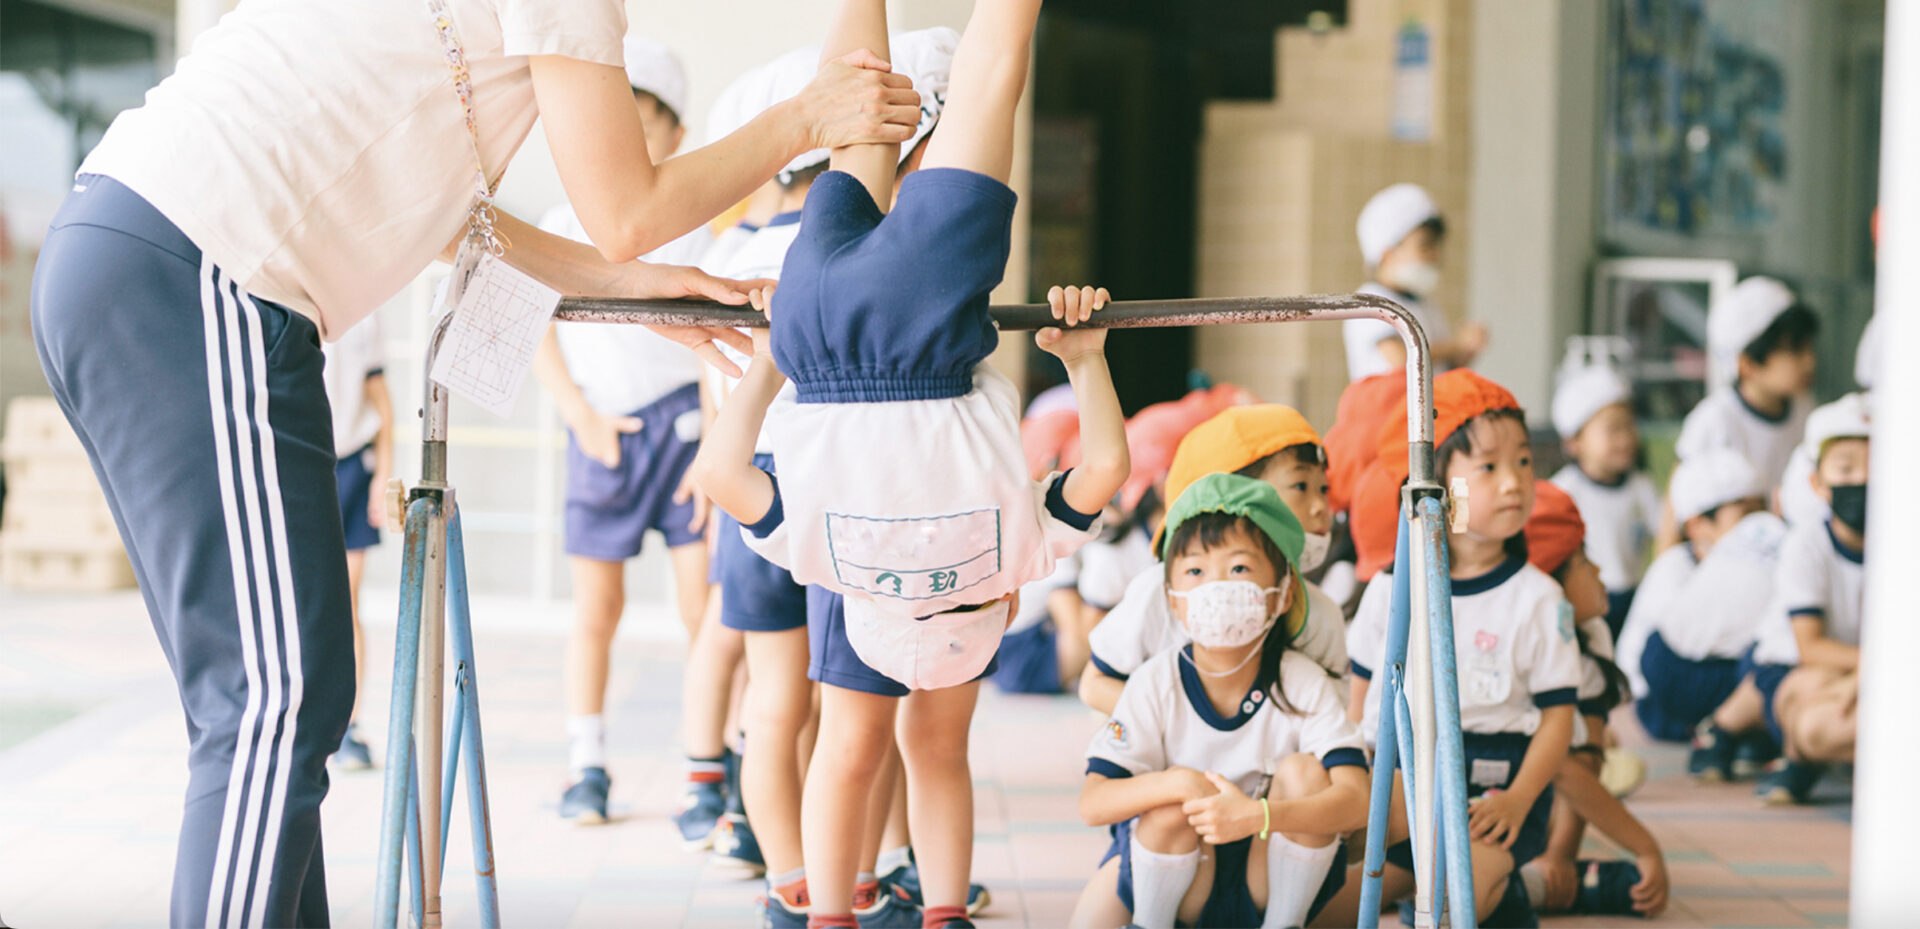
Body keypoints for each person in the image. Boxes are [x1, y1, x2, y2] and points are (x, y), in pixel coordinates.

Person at [30, 0, 917, 919]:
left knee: (280, 704)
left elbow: (459, 225)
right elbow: (628, 210)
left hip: (160, 258)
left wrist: (632, 289)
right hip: (196, 267)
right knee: (274, 702)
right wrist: (807, 119)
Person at [691, 3, 1127, 924]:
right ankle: (838, 913)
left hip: (926, 319)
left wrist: (1084, 363)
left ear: (998, 608)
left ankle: (937, 913)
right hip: (814, 330)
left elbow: (1105, 472)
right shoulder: (830, 559)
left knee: (996, 56)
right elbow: (725, 475)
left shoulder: (1011, 554)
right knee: (857, 95)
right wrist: (774, 358)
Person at [696, 31, 961, 924]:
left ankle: (790, 883)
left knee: (779, 703)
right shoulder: (887, 243)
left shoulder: (746, 243)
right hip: (839, 488)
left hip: (754, 484)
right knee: (860, 705)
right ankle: (869, 876)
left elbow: (715, 380)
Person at [529, 34, 719, 827]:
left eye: (648, 121)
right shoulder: (554, 219)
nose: (630, 138)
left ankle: (709, 770)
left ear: (676, 133)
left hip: (684, 431)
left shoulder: (698, 223)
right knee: (595, 608)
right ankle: (587, 761)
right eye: (616, 121)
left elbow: (718, 347)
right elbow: (531, 327)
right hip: (603, 430)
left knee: (702, 607)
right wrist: (578, 414)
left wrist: (716, 441)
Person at [1335, 370, 1582, 926]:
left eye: (1523, 462)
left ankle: (1500, 888)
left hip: (1491, 801)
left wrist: (1518, 800)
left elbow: (1558, 720)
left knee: (1451, 908)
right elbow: (1360, 703)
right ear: (1434, 486)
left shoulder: (1537, 598)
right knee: (1318, 909)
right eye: (1489, 467)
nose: (1516, 482)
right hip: (1401, 786)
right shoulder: (1389, 591)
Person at [1070, 474, 1370, 929]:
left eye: (1240, 569)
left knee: (1306, 774)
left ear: (1284, 593)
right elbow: (1093, 803)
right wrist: (1183, 784)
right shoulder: (1155, 682)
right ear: (1172, 600)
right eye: (1195, 571)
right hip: (1181, 879)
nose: (1215, 588)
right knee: (1168, 807)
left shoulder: (1302, 682)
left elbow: (1356, 799)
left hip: (1269, 874)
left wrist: (1257, 816)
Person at [1079, 404, 1347, 716]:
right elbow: (1095, 684)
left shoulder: (1318, 614)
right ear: (1225, 495)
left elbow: (1330, 715)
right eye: (1300, 486)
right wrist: (1172, 731)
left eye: (1323, 489)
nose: (1320, 507)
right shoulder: (1158, 593)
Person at [1518, 482, 1669, 919]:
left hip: (1539, 812)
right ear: (1549, 586)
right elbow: (1560, 767)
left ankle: (1537, 879)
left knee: (1586, 750)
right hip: (1482, 807)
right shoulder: (1515, 637)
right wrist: (1644, 846)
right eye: (1584, 561)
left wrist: (1561, 855)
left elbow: (1584, 758)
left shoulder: (1593, 633)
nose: (1600, 571)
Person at [1740, 393, 1870, 805]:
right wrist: (1876, 669)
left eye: (1876, 468)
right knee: (1818, 721)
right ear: (1817, 482)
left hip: (1865, 677)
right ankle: (1800, 751)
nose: (1862, 481)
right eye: (1846, 468)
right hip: (1802, 672)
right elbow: (1809, 646)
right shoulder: (1807, 545)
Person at [1623, 451, 1780, 754]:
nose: (1757, 529)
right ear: (1697, 526)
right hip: (1662, 703)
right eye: (1745, 516)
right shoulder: (1675, 567)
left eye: (1762, 512)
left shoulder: (1758, 567)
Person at [319, 313, 394, 771]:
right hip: (304, 461)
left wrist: (382, 476)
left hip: (350, 466)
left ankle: (349, 724)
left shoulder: (365, 313)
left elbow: (382, 402)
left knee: (345, 601)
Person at [1673, 276, 1817, 498]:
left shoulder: (1806, 411)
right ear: (1747, 363)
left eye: (1809, 347)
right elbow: (1677, 501)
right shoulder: (1714, 421)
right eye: (1795, 350)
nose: (1809, 362)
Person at [1550, 362, 1659, 637]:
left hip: (1634, 598)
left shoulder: (1642, 488)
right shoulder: (1563, 491)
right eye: (1612, 430)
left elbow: (1663, 534)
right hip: (1586, 603)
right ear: (1574, 442)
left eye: (1628, 427)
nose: (1625, 439)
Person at [1343, 183, 1486, 382]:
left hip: (1426, 413)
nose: (1435, 257)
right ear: (1387, 254)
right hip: (1388, 413)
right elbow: (1400, 360)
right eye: (1425, 246)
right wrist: (1456, 344)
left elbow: (1441, 371)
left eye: (1436, 247)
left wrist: (1467, 350)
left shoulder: (1426, 305)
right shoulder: (1370, 301)